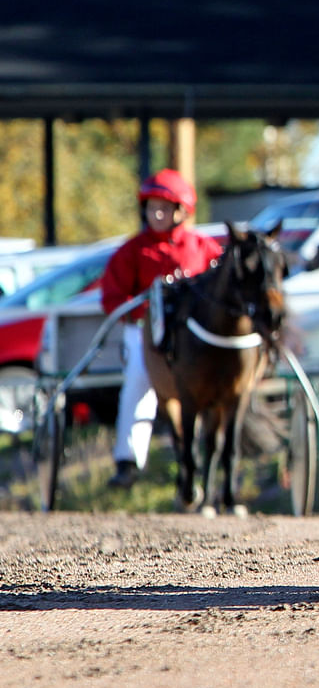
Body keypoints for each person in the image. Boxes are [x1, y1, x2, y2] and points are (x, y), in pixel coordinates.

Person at [99, 169, 221, 488]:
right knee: (139, 376)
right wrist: (146, 306)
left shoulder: (202, 247)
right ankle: (127, 460)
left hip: (192, 335)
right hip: (144, 332)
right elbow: (112, 298)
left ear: (180, 212)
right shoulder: (132, 251)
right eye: (152, 207)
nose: (156, 214)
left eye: (163, 208)